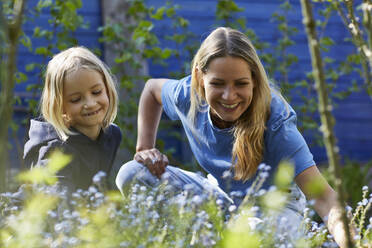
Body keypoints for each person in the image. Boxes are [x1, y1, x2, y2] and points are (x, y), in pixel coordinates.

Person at [116, 27, 350, 247]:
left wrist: (356, 242)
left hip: (274, 206)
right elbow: (151, 89)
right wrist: (144, 147)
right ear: (199, 77)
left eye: (241, 84)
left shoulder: (277, 123)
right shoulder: (188, 95)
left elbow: (325, 199)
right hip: (218, 195)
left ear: (255, 81)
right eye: (217, 83)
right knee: (132, 173)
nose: (229, 96)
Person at [24, 46, 122, 192]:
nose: (90, 103)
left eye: (96, 92)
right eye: (76, 99)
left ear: (108, 88)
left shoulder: (112, 135)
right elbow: (56, 204)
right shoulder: (56, 149)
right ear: (59, 106)